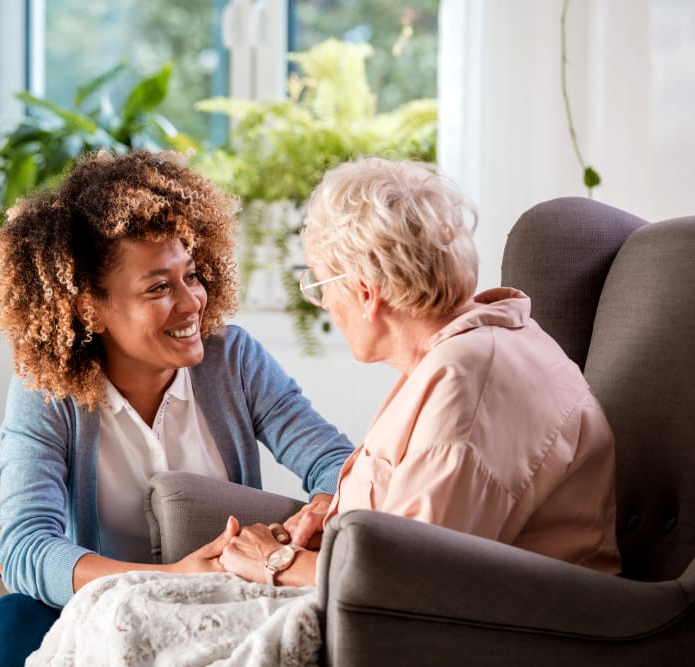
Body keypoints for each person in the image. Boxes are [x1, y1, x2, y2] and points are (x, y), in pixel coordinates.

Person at [0, 150, 356, 666]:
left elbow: (335, 462)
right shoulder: (47, 392)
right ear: (88, 309)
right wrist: (170, 578)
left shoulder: (232, 360)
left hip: (220, 605)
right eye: (159, 288)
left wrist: (325, 504)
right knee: (9, 624)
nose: (192, 302)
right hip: (98, 609)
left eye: (191, 275)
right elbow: (26, 548)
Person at [218, 156, 621, 588]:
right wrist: (337, 519)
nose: (326, 305)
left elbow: (410, 581)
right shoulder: (471, 349)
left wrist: (277, 561)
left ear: (366, 292)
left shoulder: (468, 383)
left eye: (319, 286)